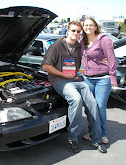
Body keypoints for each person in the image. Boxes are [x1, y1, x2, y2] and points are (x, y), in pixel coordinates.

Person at [41, 21, 107, 154]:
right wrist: (62, 74)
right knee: (76, 99)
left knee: (92, 103)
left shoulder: (79, 46)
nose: (76, 34)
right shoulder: (57, 45)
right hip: (59, 79)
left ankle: (96, 139)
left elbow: (91, 55)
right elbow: (45, 66)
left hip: (75, 79)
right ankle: (73, 137)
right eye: (73, 31)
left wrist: (102, 59)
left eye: (78, 31)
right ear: (67, 31)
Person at [80, 17, 117, 144]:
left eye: (91, 25)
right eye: (86, 25)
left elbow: (111, 59)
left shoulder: (104, 39)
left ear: (96, 27)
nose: (88, 27)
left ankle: (102, 133)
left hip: (102, 79)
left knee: (100, 107)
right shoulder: (82, 41)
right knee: (90, 107)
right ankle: (92, 132)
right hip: (87, 79)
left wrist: (113, 79)